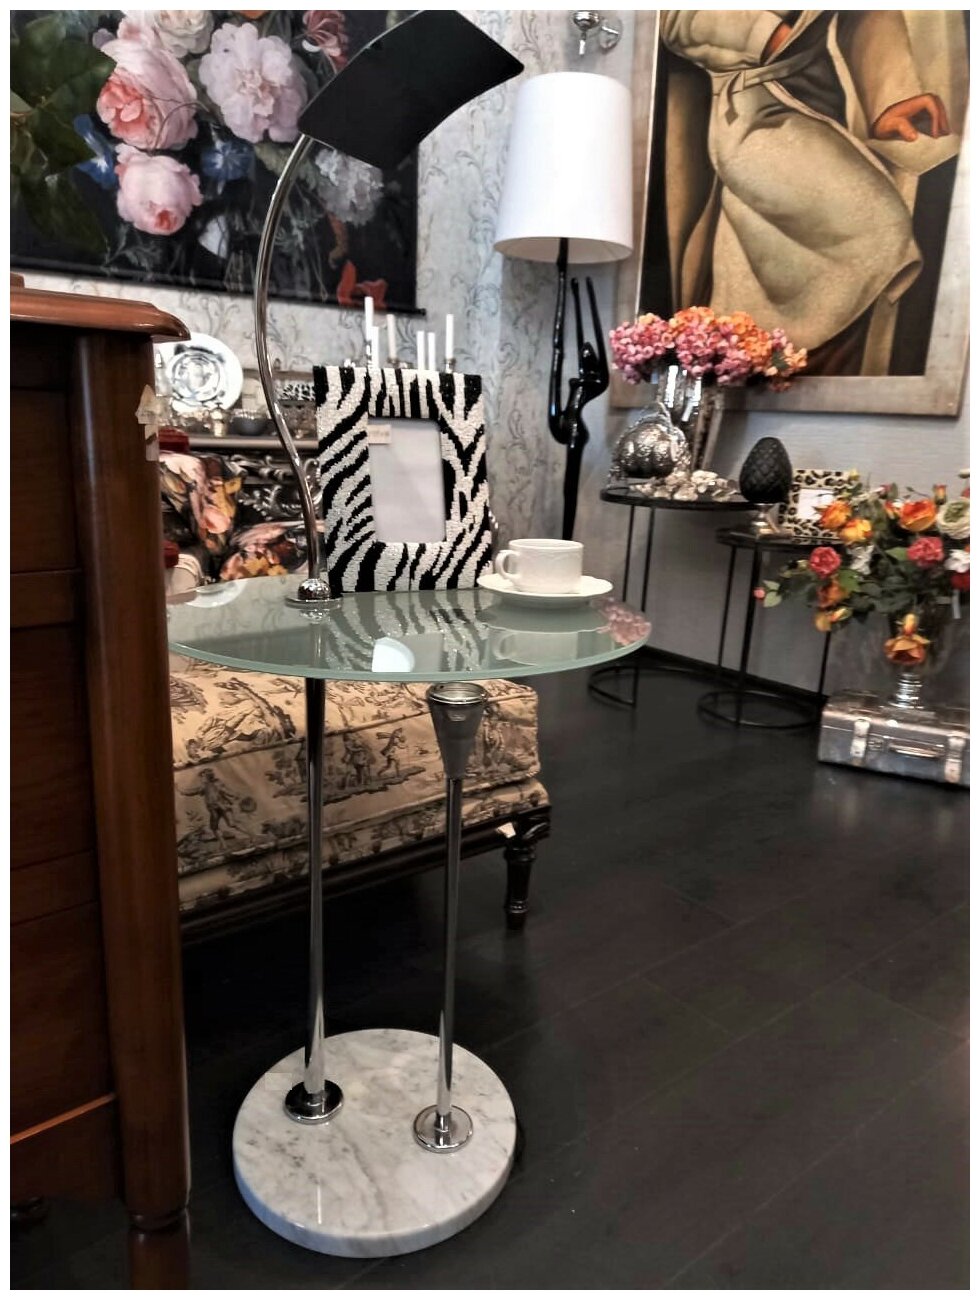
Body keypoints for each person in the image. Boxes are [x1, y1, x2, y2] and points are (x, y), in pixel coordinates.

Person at [660, 10, 956, 373]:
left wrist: (889, 97)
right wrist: (764, 34)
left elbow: (864, 14)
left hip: (824, 102)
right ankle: (769, 363)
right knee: (876, 224)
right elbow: (673, 16)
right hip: (751, 115)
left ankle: (786, 370)